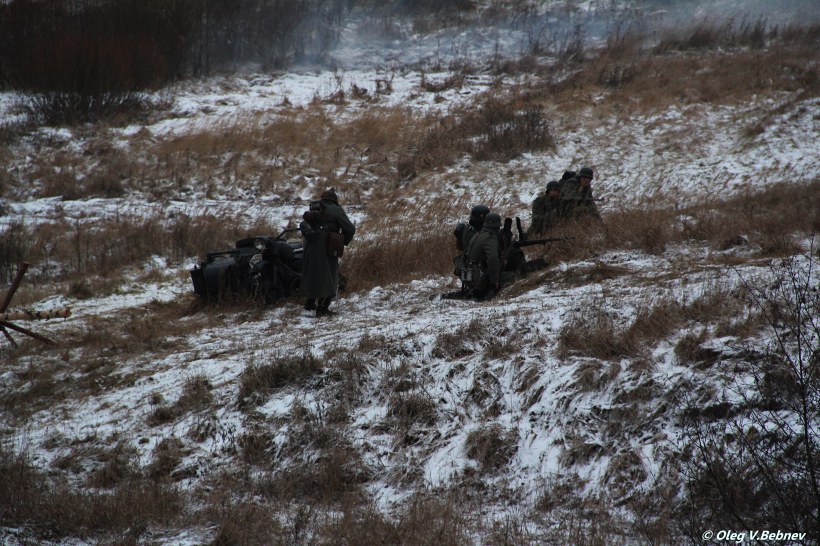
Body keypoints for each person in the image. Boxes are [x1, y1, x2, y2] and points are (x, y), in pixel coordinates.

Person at [299, 189, 355, 317]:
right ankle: (322, 309)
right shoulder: (336, 209)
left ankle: (309, 304)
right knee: (330, 276)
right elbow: (350, 229)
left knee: (313, 273)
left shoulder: (314, 207)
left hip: (309, 245)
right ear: (334, 200)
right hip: (326, 245)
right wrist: (343, 241)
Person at [463, 212, 503, 300]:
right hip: (479, 278)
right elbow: (493, 259)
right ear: (496, 226)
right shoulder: (490, 238)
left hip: (470, 275)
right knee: (509, 276)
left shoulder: (478, 234)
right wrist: (495, 281)